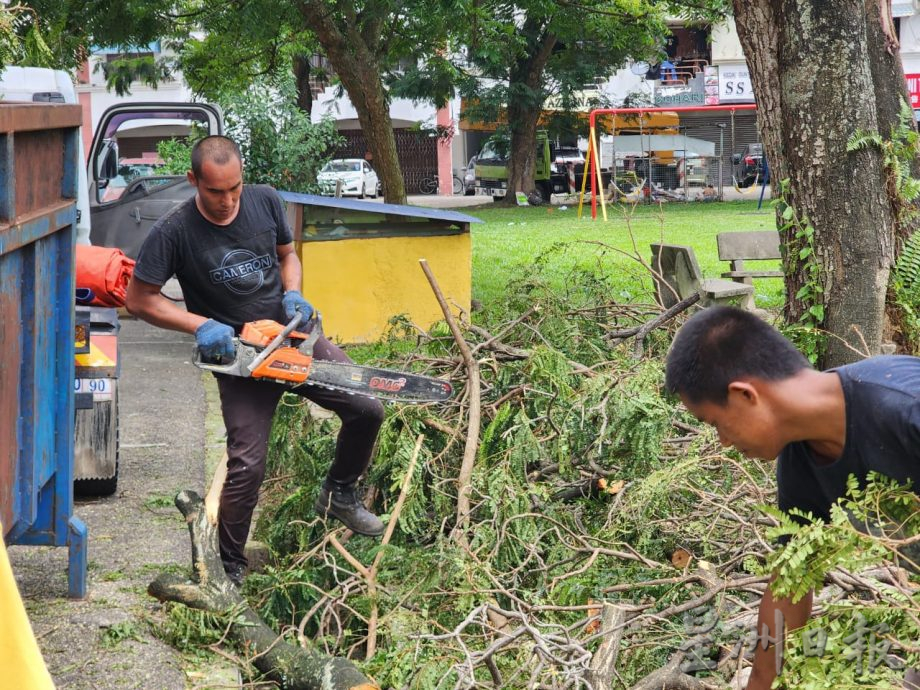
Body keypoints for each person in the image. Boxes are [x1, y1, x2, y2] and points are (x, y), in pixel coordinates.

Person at [126, 135, 386, 586]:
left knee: (366, 405)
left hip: (289, 336)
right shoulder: (173, 231)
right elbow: (139, 300)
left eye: (234, 189)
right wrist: (199, 325)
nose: (227, 201)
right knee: (247, 463)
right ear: (193, 181)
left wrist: (293, 293)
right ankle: (229, 568)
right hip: (239, 357)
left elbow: (288, 255)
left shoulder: (265, 201)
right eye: (215, 192)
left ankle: (340, 493)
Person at [664, 306, 920, 690]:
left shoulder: (905, 409)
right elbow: (789, 587)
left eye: (716, 423)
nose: (723, 441)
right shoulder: (801, 464)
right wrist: (762, 682)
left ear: (744, 395)